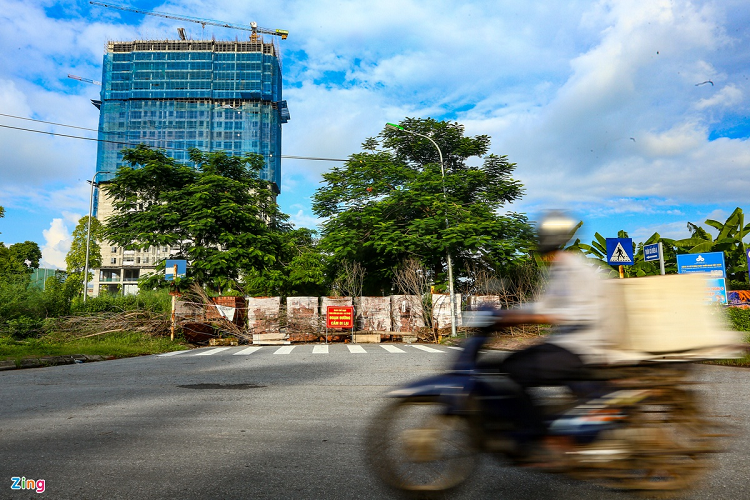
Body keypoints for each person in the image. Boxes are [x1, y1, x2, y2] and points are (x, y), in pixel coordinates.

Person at [490, 210, 614, 455]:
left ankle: (537, 436)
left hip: (582, 348)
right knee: (506, 363)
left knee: (515, 369)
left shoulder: (577, 269)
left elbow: (583, 312)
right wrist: (509, 314)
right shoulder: (560, 269)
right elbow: (545, 305)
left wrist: (543, 315)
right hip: (567, 342)